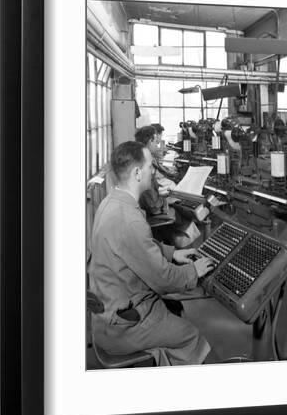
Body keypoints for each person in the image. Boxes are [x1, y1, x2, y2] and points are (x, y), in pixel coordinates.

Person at [88, 141, 214, 366]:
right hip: (124, 325)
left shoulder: (110, 203)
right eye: (150, 167)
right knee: (191, 336)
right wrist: (193, 271)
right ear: (137, 173)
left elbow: (135, 246)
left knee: (173, 310)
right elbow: (163, 279)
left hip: (107, 314)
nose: (154, 171)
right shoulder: (130, 220)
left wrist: (171, 253)